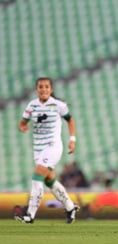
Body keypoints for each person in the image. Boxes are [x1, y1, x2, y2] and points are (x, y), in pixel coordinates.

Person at [14, 77, 79, 224]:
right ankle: (70, 207)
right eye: (41, 87)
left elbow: (70, 120)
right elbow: (22, 122)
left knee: (37, 176)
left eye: (46, 87)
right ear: (37, 89)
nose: (43, 89)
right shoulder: (32, 106)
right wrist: (22, 126)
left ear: (51, 89)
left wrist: (72, 140)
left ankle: (30, 215)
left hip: (53, 146)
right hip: (38, 149)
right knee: (50, 181)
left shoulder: (58, 105)